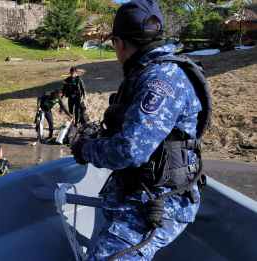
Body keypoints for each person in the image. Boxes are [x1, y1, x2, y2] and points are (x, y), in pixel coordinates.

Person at [70, 0, 212, 260]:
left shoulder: (159, 80)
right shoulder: (150, 73)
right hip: (140, 193)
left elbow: (130, 151)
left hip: (161, 202)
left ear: (120, 43)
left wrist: (85, 148)